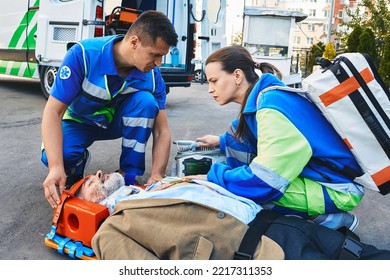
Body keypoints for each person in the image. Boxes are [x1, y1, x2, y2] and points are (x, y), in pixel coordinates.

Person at [195, 45, 365, 231]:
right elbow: (258, 137)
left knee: (248, 191)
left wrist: (213, 179)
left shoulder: (271, 106)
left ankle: (332, 220)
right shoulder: (266, 97)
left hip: (337, 190)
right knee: (235, 134)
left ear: (237, 76)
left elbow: (265, 181)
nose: (210, 89)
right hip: (319, 176)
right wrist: (221, 141)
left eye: (214, 81)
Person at [69, 170, 390, 260]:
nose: (97, 172)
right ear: (87, 206)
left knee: (368, 256)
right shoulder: (111, 230)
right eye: (88, 183)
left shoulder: (156, 185)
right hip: (256, 255)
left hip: (279, 224)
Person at [41, 10, 178, 209]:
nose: (158, 63)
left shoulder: (153, 75)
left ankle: (127, 175)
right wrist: (55, 168)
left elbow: (162, 130)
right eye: (155, 55)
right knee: (61, 157)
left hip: (115, 123)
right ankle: (75, 165)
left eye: (162, 57)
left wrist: (158, 174)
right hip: (79, 120)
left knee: (147, 102)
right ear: (134, 42)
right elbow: (52, 112)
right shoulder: (83, 56)